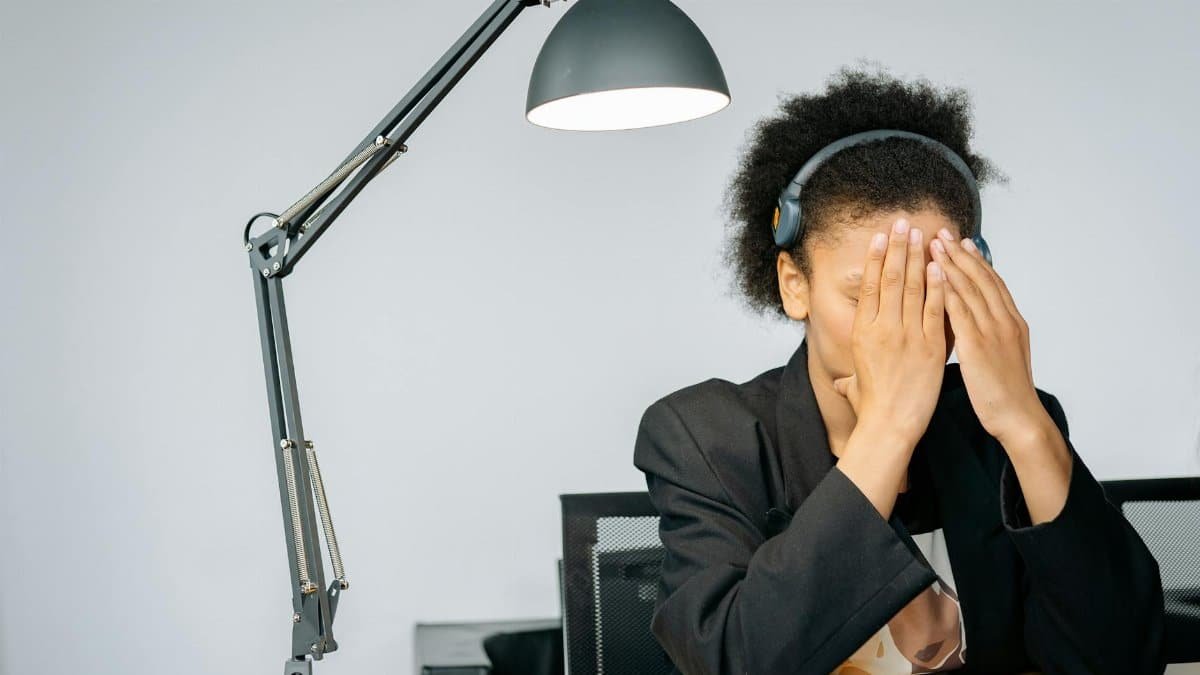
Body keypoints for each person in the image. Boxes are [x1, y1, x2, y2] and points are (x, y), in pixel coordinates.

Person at [632, 64, 1166, 675]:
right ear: (794, 285)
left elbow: (1122, 659)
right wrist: (887, 428)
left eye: (929, 291)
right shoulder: (706, 436)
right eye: (867, 295)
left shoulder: (1000, 425)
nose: (901, 326)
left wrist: (1025, 424)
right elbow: (734, 661)